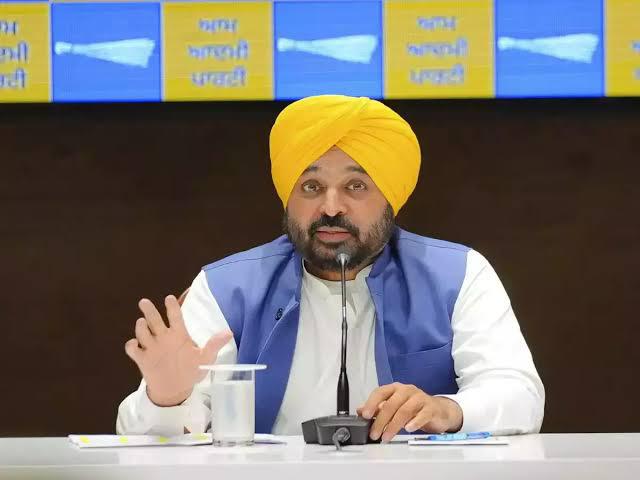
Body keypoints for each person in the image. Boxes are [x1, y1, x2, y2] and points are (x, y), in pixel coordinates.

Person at [117, 95, 544, 442]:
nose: (332, 206)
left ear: (390, 198)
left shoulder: (459, 274)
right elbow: (145, 440)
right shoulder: (226, 288)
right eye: (311, 186)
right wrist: (168, 398)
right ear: (288, 197)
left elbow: (520, 394)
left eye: (356, 186)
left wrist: (447, 409)